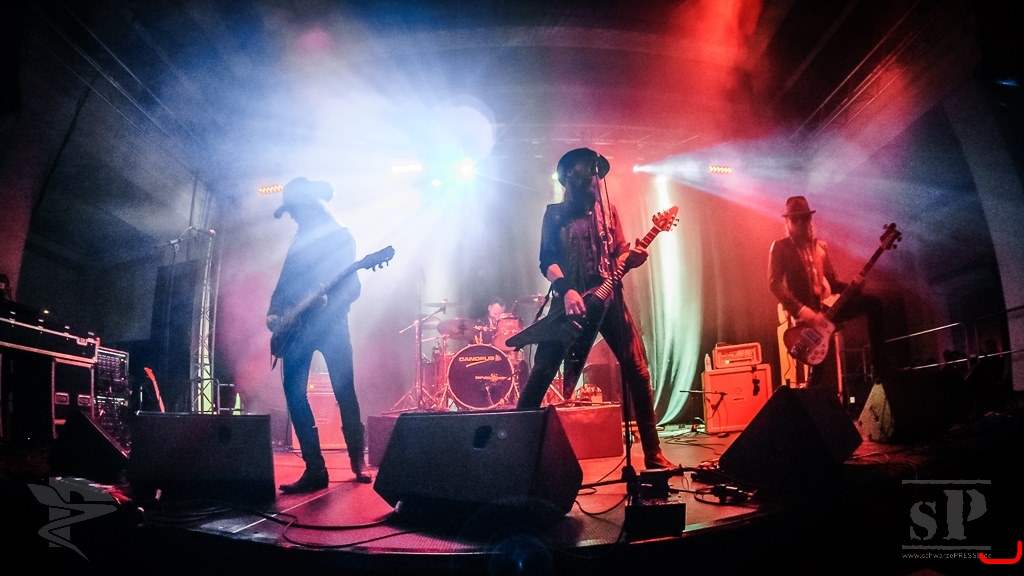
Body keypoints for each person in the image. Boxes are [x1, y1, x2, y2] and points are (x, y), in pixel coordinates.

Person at [515, 147, 675, 471]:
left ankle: (654, 454)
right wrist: (566, 289)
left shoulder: (608, 212)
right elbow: (547, 261)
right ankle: (515, 450)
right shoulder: (555, 215)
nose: (596, 180)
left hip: (608, 298)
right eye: (589, 174)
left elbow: (620, 253)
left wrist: (633, 258)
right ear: (572, 178)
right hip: (569, 303)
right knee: (542, 372)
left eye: (597, 175)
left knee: (638, 370)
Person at [266, 177, 371, 493]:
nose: (294, 218)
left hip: (332, 326)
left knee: (344, 391)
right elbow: (284, 284)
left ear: (309, 206)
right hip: (298, 329)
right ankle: (315, 468)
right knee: (294, 392)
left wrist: (329, 301)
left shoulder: (340, 237)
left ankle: (357, 461)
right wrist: (274, 311)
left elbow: (352, 287)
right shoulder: (298, 243)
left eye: (295, 211)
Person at [768, 195, 889, 400]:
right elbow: (774, 283)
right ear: (787, 222)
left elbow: (832, 283)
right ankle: (807, 407)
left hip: (828, 308)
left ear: (810, 219)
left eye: (804, 218)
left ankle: (883, 369)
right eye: (795, 219)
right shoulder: (780, 247)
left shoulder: (821, 247)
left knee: (873, 303)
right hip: (806, 315)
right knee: (819, 368)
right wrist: (801, 310)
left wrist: (854, 286)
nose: (800, 222)